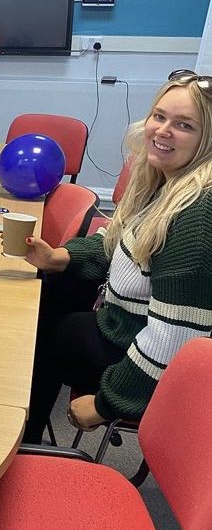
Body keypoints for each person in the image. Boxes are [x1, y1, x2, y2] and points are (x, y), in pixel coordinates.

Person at [22, 70, 212, 443]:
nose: (162, 131)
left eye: (184, 125)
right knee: (49, 291)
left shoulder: (196, 214)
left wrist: (106, 405)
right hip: (124, 323)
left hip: (152, 362)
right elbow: (117, 242)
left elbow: (174, 342)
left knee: (37, 337)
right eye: (160, 116)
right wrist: (58, 257)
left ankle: (21, 446)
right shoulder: (165, 181)